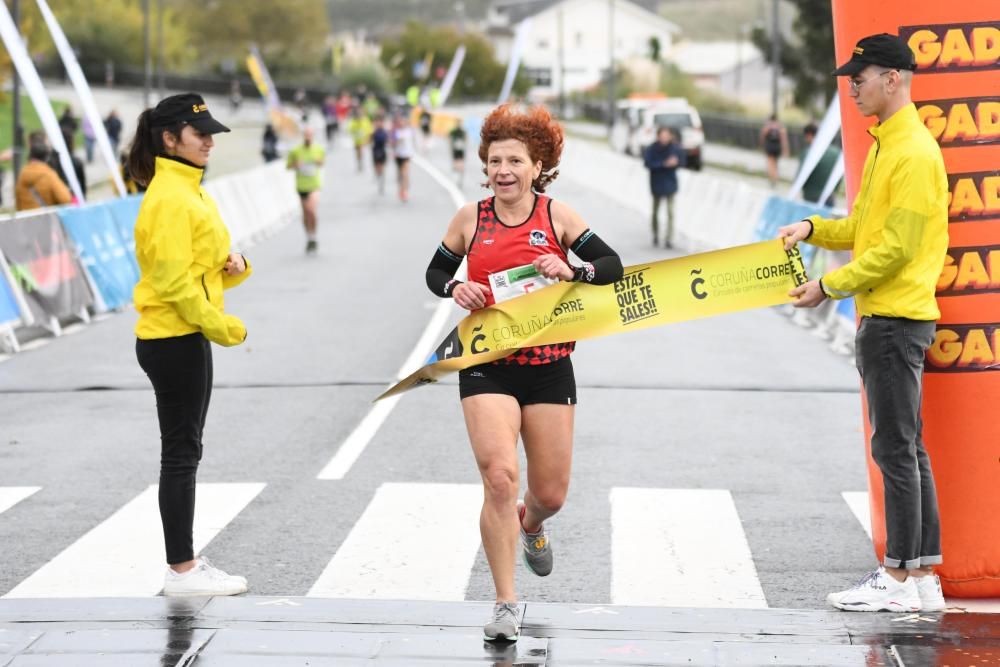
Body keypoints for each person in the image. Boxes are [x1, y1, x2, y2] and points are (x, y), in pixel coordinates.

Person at [424, 104, 623, 642]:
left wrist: (570, 267)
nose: (503, 170)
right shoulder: (472, 218)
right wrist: (453, 287)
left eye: (515, 160)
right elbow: (436, 270)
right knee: (498, 477)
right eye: (494, 161)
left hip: (549, 367)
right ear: (484, 167)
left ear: (538, 166)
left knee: (550, 493)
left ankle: (531, 523)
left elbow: (611, 268)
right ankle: (506, 602)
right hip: (487, 363)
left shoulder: (558, 217)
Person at [778, 33, 948, 613]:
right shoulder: (887, 146)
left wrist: (828, 285)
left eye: (861, 75)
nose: (853, 85)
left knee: (895, 450)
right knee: (908, 448)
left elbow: (894, 250)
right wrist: (811, 228)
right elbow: (863, 229)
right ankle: (922, 575)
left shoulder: (913, 153)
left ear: (893, 78)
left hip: (894, 318)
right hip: (894, 316)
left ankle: (899, 580)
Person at [128, 93, 251, 597]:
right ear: (169, 138)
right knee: (180, 454)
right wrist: (223, 328)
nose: (209, 142)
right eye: (199, 134)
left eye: (212, 134)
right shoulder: (171, 198)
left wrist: (234, 266)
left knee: (184, 451)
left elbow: (198, 270)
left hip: (181, 334)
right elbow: (175, 286)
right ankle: (182, 569)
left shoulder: (190, 191)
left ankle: (184, 564)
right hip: (175, 337)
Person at [642, 126, 685, 248]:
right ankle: (655, 234)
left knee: (670, 212)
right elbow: (647, 163)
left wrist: (676, 162)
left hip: (670, 183)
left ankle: (669, 238)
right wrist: (664, 164)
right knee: (655, 211)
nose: (664, 138)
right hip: (656, 182)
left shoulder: (675, 148)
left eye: (667, 136)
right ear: (658, 136)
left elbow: (682, 161)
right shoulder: (652, 148)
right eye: (662, 136)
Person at [286, 127, 326, 253]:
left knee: (311, 210)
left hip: (314, 185)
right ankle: (309, 237)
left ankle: (313, 235)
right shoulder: (295, 151)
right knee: (305, 213)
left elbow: (322, 162)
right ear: (303, 136)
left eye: (310, 135)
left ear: (313, 136)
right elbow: (288, 166)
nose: (308, 137)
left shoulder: (318, 149)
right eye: (306, 135)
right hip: (301, 186)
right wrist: (295, 165)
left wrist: (318, 161)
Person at [15, 132, 72, 210]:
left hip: (27, 218)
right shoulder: (49, 174)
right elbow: (65, 199)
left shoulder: (22, 174)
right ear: (46, 157)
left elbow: (18, 202)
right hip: (46, 218)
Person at [798, 122, 840, 206]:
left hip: (811, 196)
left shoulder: (808, 153)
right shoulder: (837, 153)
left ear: (809, 135)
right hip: (829, 196)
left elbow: (800, 177)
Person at [390, 113, 415, 202]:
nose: (402, 123)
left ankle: (405, 191)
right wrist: (396, 142)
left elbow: (413, 142)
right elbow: (392, 144)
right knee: (400, 174)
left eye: (403, 121)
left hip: (406, 155)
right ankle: (401, 188)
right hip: (398, 155)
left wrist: (412, 151)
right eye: (400, 121)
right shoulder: (395, 132)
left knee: (405, 173)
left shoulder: (410, 131)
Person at [759, 114, 788, 187]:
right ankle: (775, 179)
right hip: (777, 147)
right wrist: (785, 150)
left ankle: (772, 179)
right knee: (775, 164)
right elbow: (783, 140)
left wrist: (762, 146)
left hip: (770, 146)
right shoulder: (780, 127)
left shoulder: (767, 126)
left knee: (770, 164)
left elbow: (762, 137)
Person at [347, 107, 373, 173]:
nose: (359, 115)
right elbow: (349, 129)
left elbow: (370, 129)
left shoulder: (365, 120)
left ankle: (361, 163)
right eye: (358, 113)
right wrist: (354, 131)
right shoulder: (354, 121)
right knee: (358, 152)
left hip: (364, 139)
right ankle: (359, 162)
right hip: (356, 139)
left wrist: (369, 137)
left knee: (361, 150)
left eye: (360, 113)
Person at [371, 114, 389, 195]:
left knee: (381, 166)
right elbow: (369, 140)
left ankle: (381, 178)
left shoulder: (384, 132)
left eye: (380, 122)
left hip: (382, 151)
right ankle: (379, 175)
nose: (379, 124)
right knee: (376, 166)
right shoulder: (373, 132)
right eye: (377, 122)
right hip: (375, 151)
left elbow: (388, 141)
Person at [449, 118, 467, 186]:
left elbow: (465, 139)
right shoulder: (456, 131)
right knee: (457, 163)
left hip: (459, 149)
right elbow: (450, 139)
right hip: (457, 149)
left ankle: (459, 176)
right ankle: (457, 176)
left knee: (459, 163)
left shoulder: (461, 131)